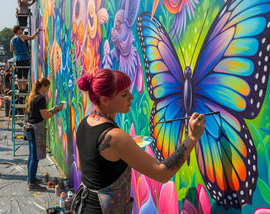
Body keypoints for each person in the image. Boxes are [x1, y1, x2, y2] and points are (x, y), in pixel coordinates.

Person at [71, 69, 206, 213]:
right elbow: (162, 173)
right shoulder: (115, 137)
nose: (131, 97)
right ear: (104, 100)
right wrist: (192, 138)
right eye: (124, 95)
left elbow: (81, 165)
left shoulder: (85, 123)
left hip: (84, 207)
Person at [25, 78, 63, 191]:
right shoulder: (41, 98)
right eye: (48, 87)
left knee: (32, 155)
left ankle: (30, 178)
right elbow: (45, 116)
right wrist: (57, 110)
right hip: (35, 130)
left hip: (30, 129)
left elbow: (42, 113)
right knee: (35, 157)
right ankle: (32, 184)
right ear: (43, 86)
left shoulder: (33, 96)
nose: (48, 90)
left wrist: (54, 108)